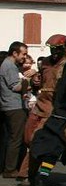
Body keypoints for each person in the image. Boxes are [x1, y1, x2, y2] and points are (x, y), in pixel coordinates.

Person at [17, 34, 66, 186]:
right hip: (40, 103)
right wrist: (35, 80)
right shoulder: (45, 62)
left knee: (36, 139)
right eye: (52, 49)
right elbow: (40, 80)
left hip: (52, 107)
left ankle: (27, 173)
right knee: (27, 138)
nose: (54, 52)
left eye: (57, 49)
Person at [1, 41, 35, 178]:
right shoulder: (9, 66)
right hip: (14, 106)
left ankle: (11, 166)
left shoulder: (10, 65)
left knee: (12, 138)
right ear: (15, 53)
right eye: (23, 54)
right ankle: (10, 169)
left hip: (10, 106)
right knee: (16, 138)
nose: (24, 57)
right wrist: (28, 78)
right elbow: (16, 87)